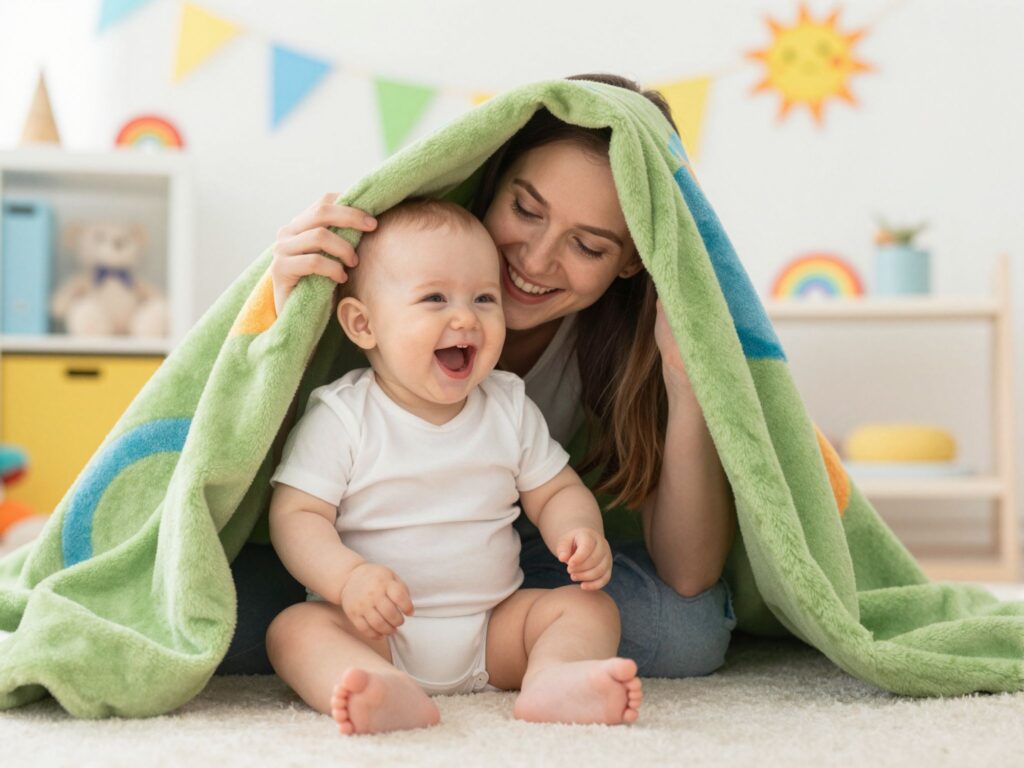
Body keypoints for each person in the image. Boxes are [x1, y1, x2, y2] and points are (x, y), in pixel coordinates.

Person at [218, 73, 737, 680]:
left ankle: (553, 678)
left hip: (500, 586)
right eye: (525, 209)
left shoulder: (540, 386)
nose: (536, 261)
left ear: (632, 261)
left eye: (589, 247)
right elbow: (275, 493)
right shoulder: (392, 272)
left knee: (685, 632)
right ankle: (373, 680)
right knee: (221, 618)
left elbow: (680, 569)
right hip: (349, 573)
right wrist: (285, 320)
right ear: (488, 182)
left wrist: (687, 378)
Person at [266, 198, 642, 734]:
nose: (465, 316)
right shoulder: (343, 415)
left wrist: (579, 530)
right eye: (434, 297)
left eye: (484, 298)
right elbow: (296, 516)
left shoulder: (507, 404)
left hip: (494, 625)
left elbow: (556, 490)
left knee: (589, 611)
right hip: (374, 627)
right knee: (294, 630)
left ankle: (553, 679)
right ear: (362, 324)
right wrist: (347, 580)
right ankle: (376, 683)